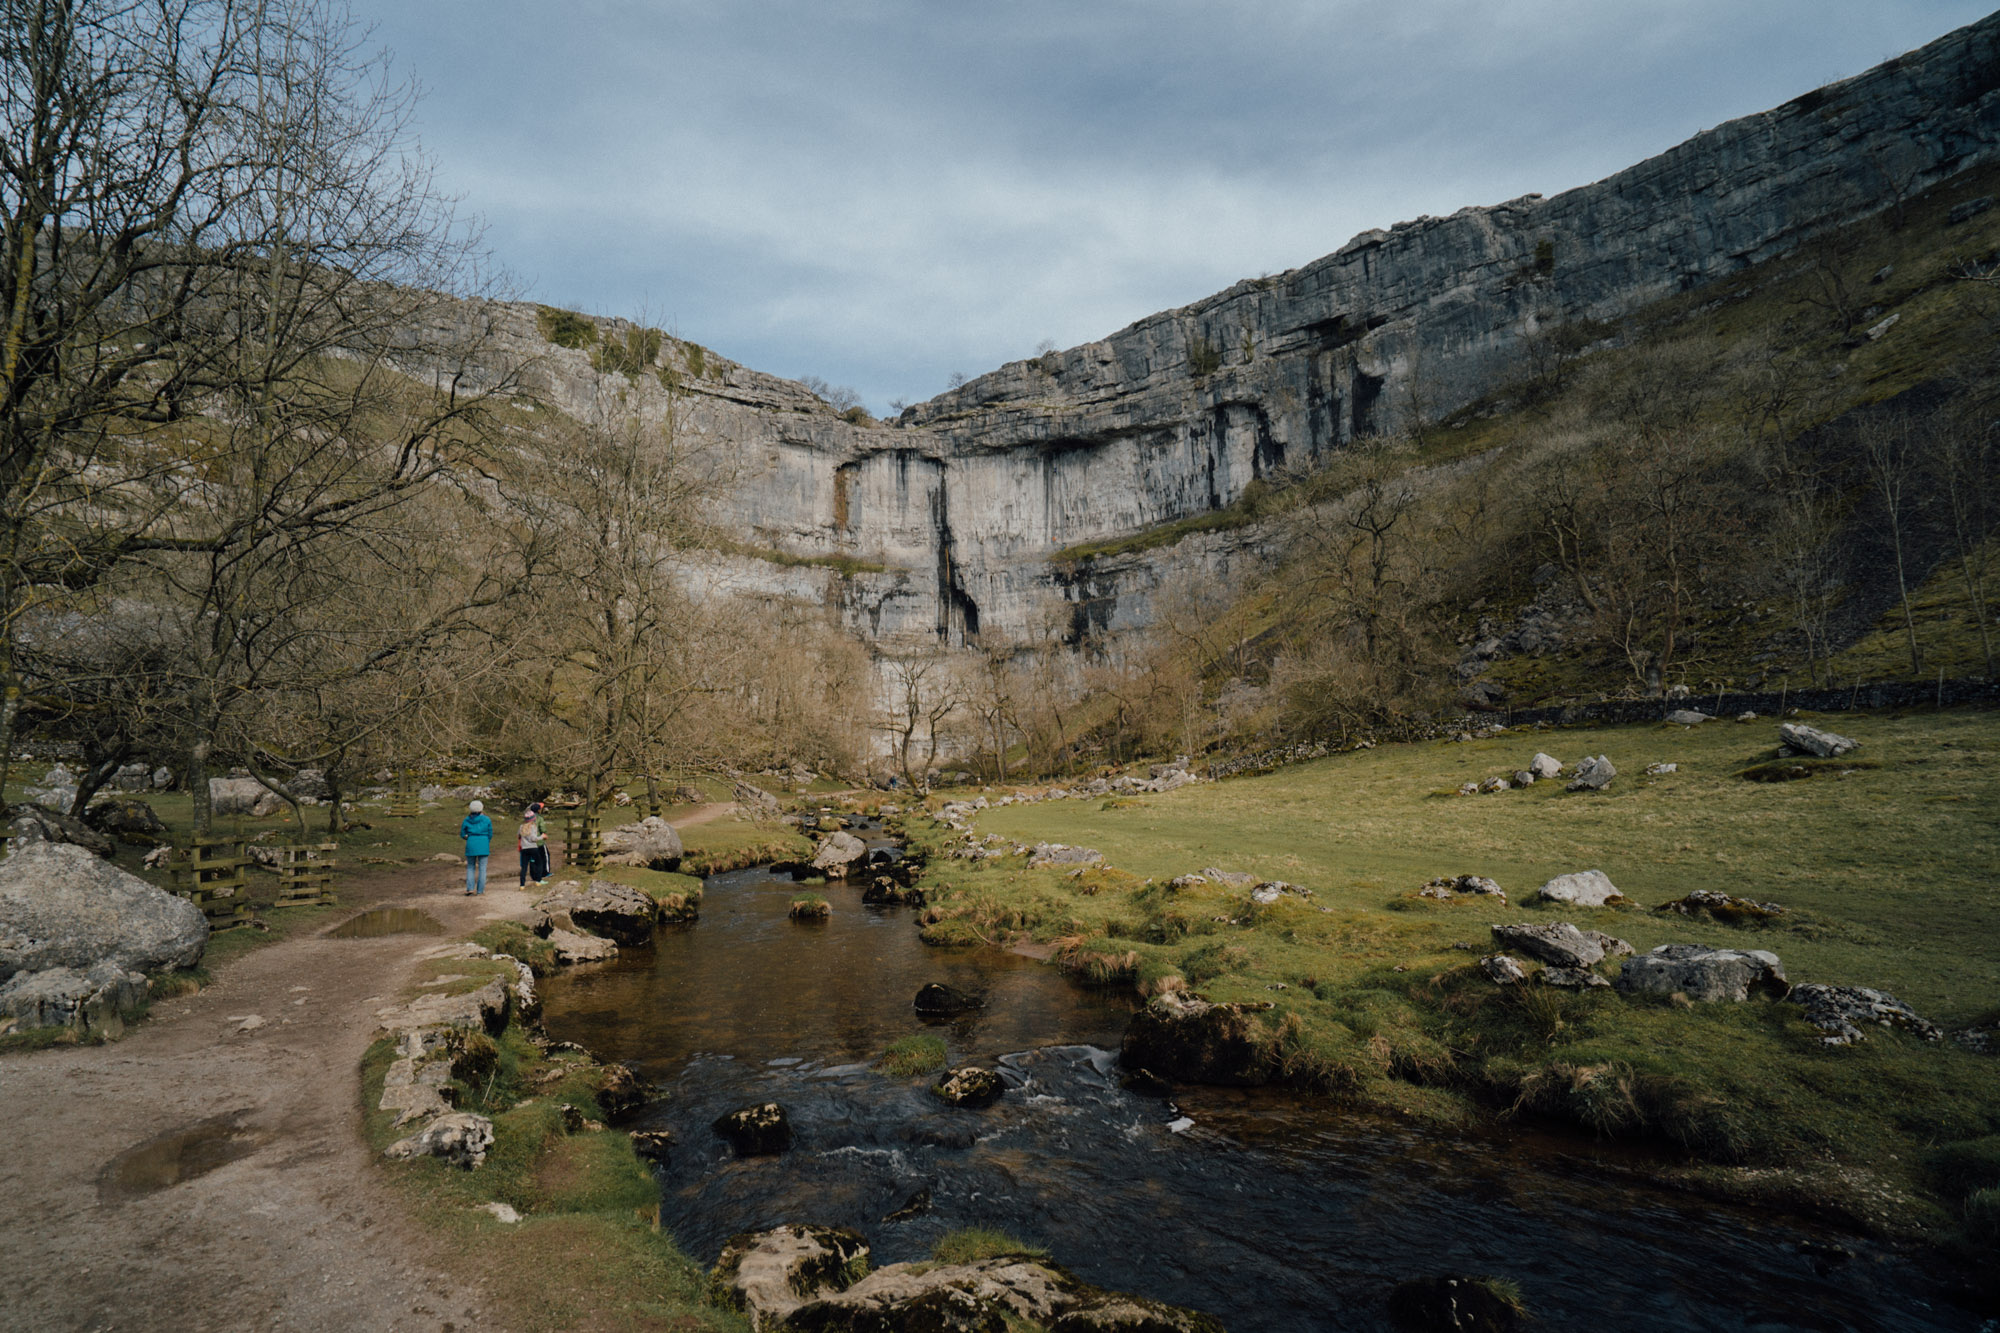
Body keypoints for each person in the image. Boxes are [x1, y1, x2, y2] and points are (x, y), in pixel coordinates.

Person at [460, 799, 493, 896]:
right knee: (483, 868)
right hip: (483, 844)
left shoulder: (466, 820)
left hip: (471, 843)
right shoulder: (487, 819)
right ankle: (480, 890)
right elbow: (490, 833)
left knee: (470, 867)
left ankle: (470, 888)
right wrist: (486, 841)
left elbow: (463, 833)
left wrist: (467, 837)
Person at [518, 803, 549, 887]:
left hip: (524, 848)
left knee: (524, 866)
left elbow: (519, 835)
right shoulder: (533, 826)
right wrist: (542, 837)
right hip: (533, 847)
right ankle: (538, 880)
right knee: (539, 863)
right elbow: (533, 838)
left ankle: (522, 884)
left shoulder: (521, 826)